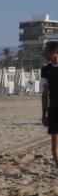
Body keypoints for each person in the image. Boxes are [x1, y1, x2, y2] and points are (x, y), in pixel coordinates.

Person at [41, 40, 58, 168]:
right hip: (53, 109)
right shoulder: (45, 70)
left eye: (46, 50)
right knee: (54, 144)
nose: (43, 53)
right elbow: (45, 94)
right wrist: (43, 114)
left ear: (54, 52)